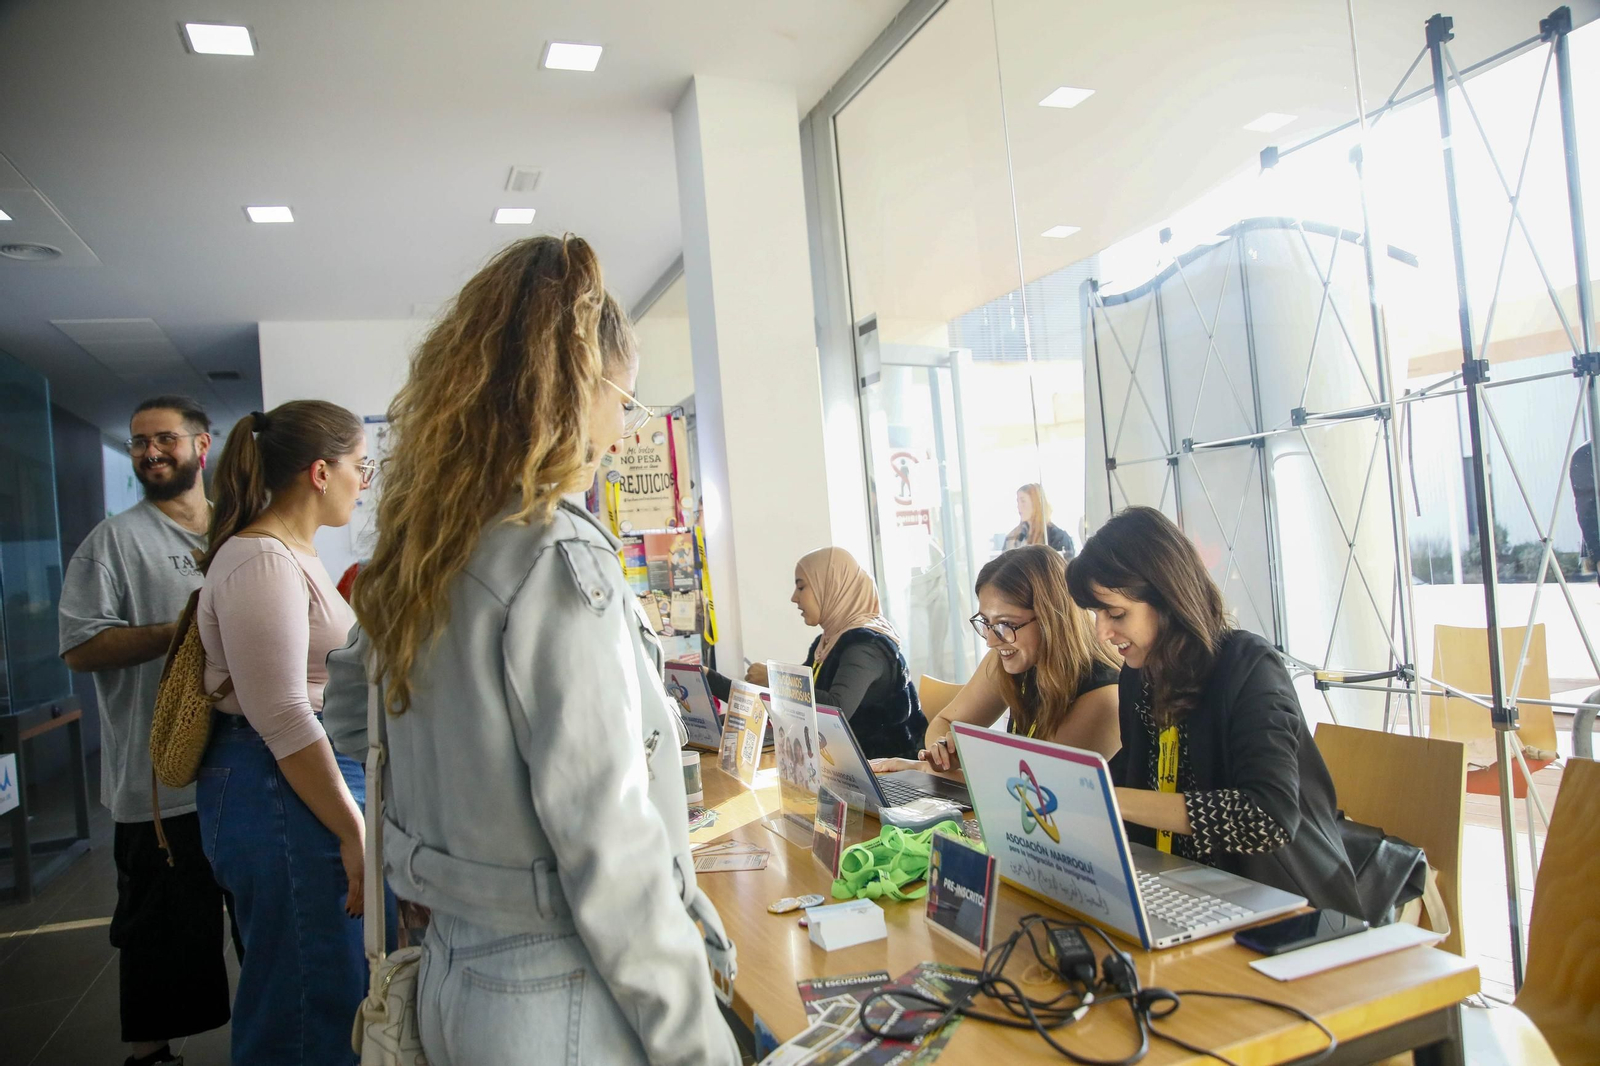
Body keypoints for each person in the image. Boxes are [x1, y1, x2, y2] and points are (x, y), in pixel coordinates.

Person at [321, 235, 740, 1065]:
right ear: (577, 387)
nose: (625, 428)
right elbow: (612, 852)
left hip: (448, 974)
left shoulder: (428, 550)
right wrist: (702, 1048)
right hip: (559, 990)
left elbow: (345, 712)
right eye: (625, 398)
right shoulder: (554, 558)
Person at [1066, 506, 1362, 914]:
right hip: (1185, 888)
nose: (1102, 632)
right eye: (1096, 614)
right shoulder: (1140, 673)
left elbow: (1267, 817)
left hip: (1285, 901)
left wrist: (1108, 800)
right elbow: (1137, 775)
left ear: (1167, 599)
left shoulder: (1249, 666)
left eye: (1116, 613)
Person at [195, 400, 376, 1065]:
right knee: (306, 1001)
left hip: (298, 787)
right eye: (363, 466)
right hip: (280, 789)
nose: (366, 480)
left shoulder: (290, 555)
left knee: (328, 989)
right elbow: (283, 715)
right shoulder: (261, 561)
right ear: (321, 472)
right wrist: (351, 829)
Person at [58, 395, 231, 1066]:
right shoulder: (115, 542)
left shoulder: (236, 532)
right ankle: (151, 1056)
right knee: (159, 938)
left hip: (242, 773)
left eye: (163, 439)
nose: (150, 453)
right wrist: (181, 632)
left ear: (201, 445)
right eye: (138, 444)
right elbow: (79, 648)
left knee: (262, 928)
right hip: (156, 787)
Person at [895, 545, 1120, 776]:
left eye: (1006, 624)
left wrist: (928, 767)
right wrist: (946, 749)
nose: (991, 641)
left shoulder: (1105, 696)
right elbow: (945, 721)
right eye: (986, 623)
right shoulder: (1015, 654)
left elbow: (1037, 784)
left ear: (1050, 619)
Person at [708, 547, 927, 759]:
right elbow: (792, 698)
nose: (794, 597)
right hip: (842, 765)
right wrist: (709, 679)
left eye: (801, 587)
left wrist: (775, 680)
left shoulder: (866, 645)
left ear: (831, 586)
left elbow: (835, 708)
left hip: (887, 775)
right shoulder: (828, 643)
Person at [1003, 483, 1074, 557]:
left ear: (1036, 503)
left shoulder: (1057, 537)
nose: (1018, 506)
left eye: (1023, 501)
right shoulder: (1013, 537)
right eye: (1018, 502)